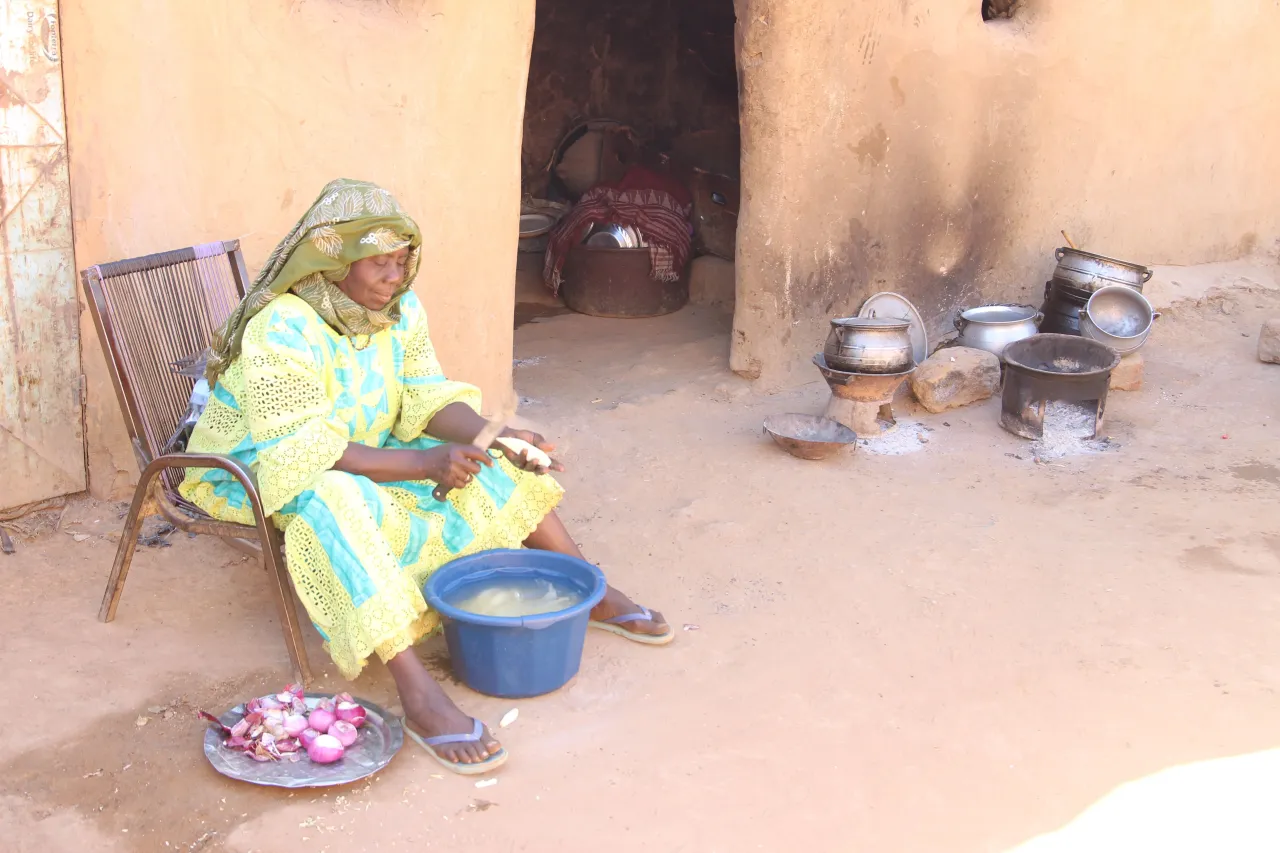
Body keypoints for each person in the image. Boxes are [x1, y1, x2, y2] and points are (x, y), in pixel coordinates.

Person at [181, 179, 671, 774]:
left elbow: (423, 397)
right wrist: (421, 462)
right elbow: (299, 445)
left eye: (402, 262)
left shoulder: (399, 309)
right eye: (380, 265)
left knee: (492, 462)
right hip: (261, 462)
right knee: (330, 502)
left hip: (368, 443)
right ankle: (418, 693)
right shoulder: (282, 325)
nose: (395, 277)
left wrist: (496, 434)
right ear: (334, 265)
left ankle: (590, 590)